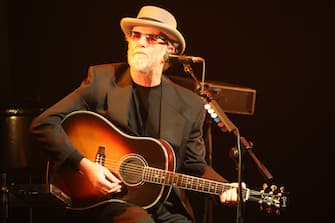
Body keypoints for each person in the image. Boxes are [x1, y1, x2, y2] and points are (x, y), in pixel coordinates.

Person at [30, 5, 245, 223]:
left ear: (170, 51)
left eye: (151, 38)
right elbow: (44, 123)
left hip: (163, 207)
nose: (140, 42)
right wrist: (84, 165)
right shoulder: (102, 80)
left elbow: (195, 166)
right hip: (108, 201)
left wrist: (225, 187)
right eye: (135, 35)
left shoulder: (189, 104)